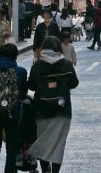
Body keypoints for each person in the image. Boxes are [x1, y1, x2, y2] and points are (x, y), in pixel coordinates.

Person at [27, 37, 78, 173]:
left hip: (41, 109)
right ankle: (55, 171)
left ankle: (45, 169)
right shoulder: (66, 64)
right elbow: (74, 83)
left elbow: (31, 86)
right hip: (62, 110)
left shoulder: (37, 65)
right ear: (58, 48)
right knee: (58, 143)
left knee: (43, 140)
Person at [0, 42, 27, 173]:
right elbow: (23, 92)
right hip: (13, 111)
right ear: (15, 56)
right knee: (12, 142)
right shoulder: (20, 71)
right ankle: (10, 169)